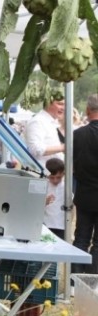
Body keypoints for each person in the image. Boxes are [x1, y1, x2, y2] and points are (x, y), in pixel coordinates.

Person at [72, 93, 98, 275]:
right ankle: (93, 280)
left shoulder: (78, 134)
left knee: (81, 237)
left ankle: (75, 279)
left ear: (88, 110)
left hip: (85, 193)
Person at [24, 93, 65, 169]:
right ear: (49, 103)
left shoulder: (49, 122)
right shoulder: (38, 121)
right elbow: (35, 149)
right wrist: (63, 148)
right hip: (44, 174)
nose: (63, 108)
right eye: (60, 104)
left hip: (53, 175)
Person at [44, 158, 66, 239]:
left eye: (58, 177)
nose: (55, 180)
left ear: (63, 174)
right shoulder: (44, 185)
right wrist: (44, 202)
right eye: (52, 177)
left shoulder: (66, 187)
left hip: (61, 226)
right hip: (46, 224)